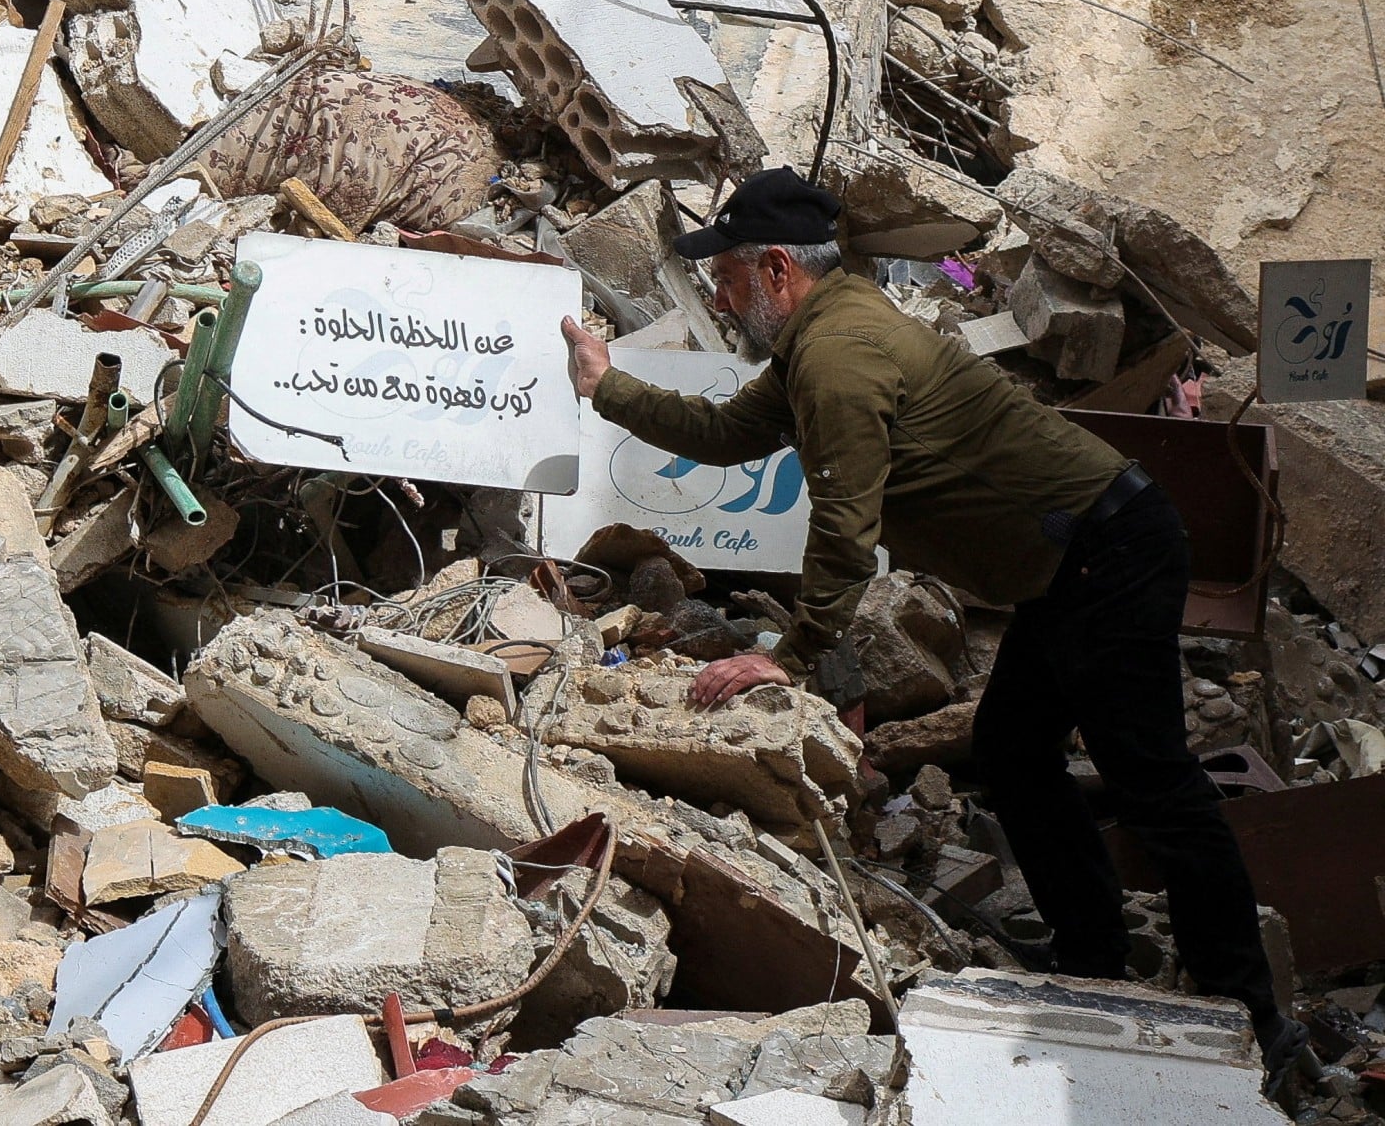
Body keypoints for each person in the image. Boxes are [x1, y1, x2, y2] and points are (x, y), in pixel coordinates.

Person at [559, 166, 1308, 1080]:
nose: (718, 298)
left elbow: (844, 522)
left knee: (1152, 779)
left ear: (779, 271)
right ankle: (1094, 960)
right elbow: (724, 437)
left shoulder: (838, 357)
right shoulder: (818, 340)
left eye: (727, 277)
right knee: (1014, 752)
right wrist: (607, 384)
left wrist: (792, 654)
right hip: (1070, 560)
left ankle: (1253, 1015)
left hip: (1105, 551)